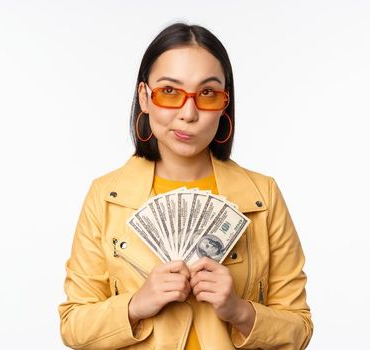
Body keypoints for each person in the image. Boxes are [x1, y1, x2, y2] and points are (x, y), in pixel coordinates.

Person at [58, 23, 313, 349]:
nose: (188, 113)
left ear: (224, 104)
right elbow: (73, 326)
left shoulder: (262, 196)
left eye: (207, 93)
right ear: (144, 98)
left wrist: (240, 311)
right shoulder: (107, 197)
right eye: (169, 92)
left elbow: (299, 328)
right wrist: (136, 305)